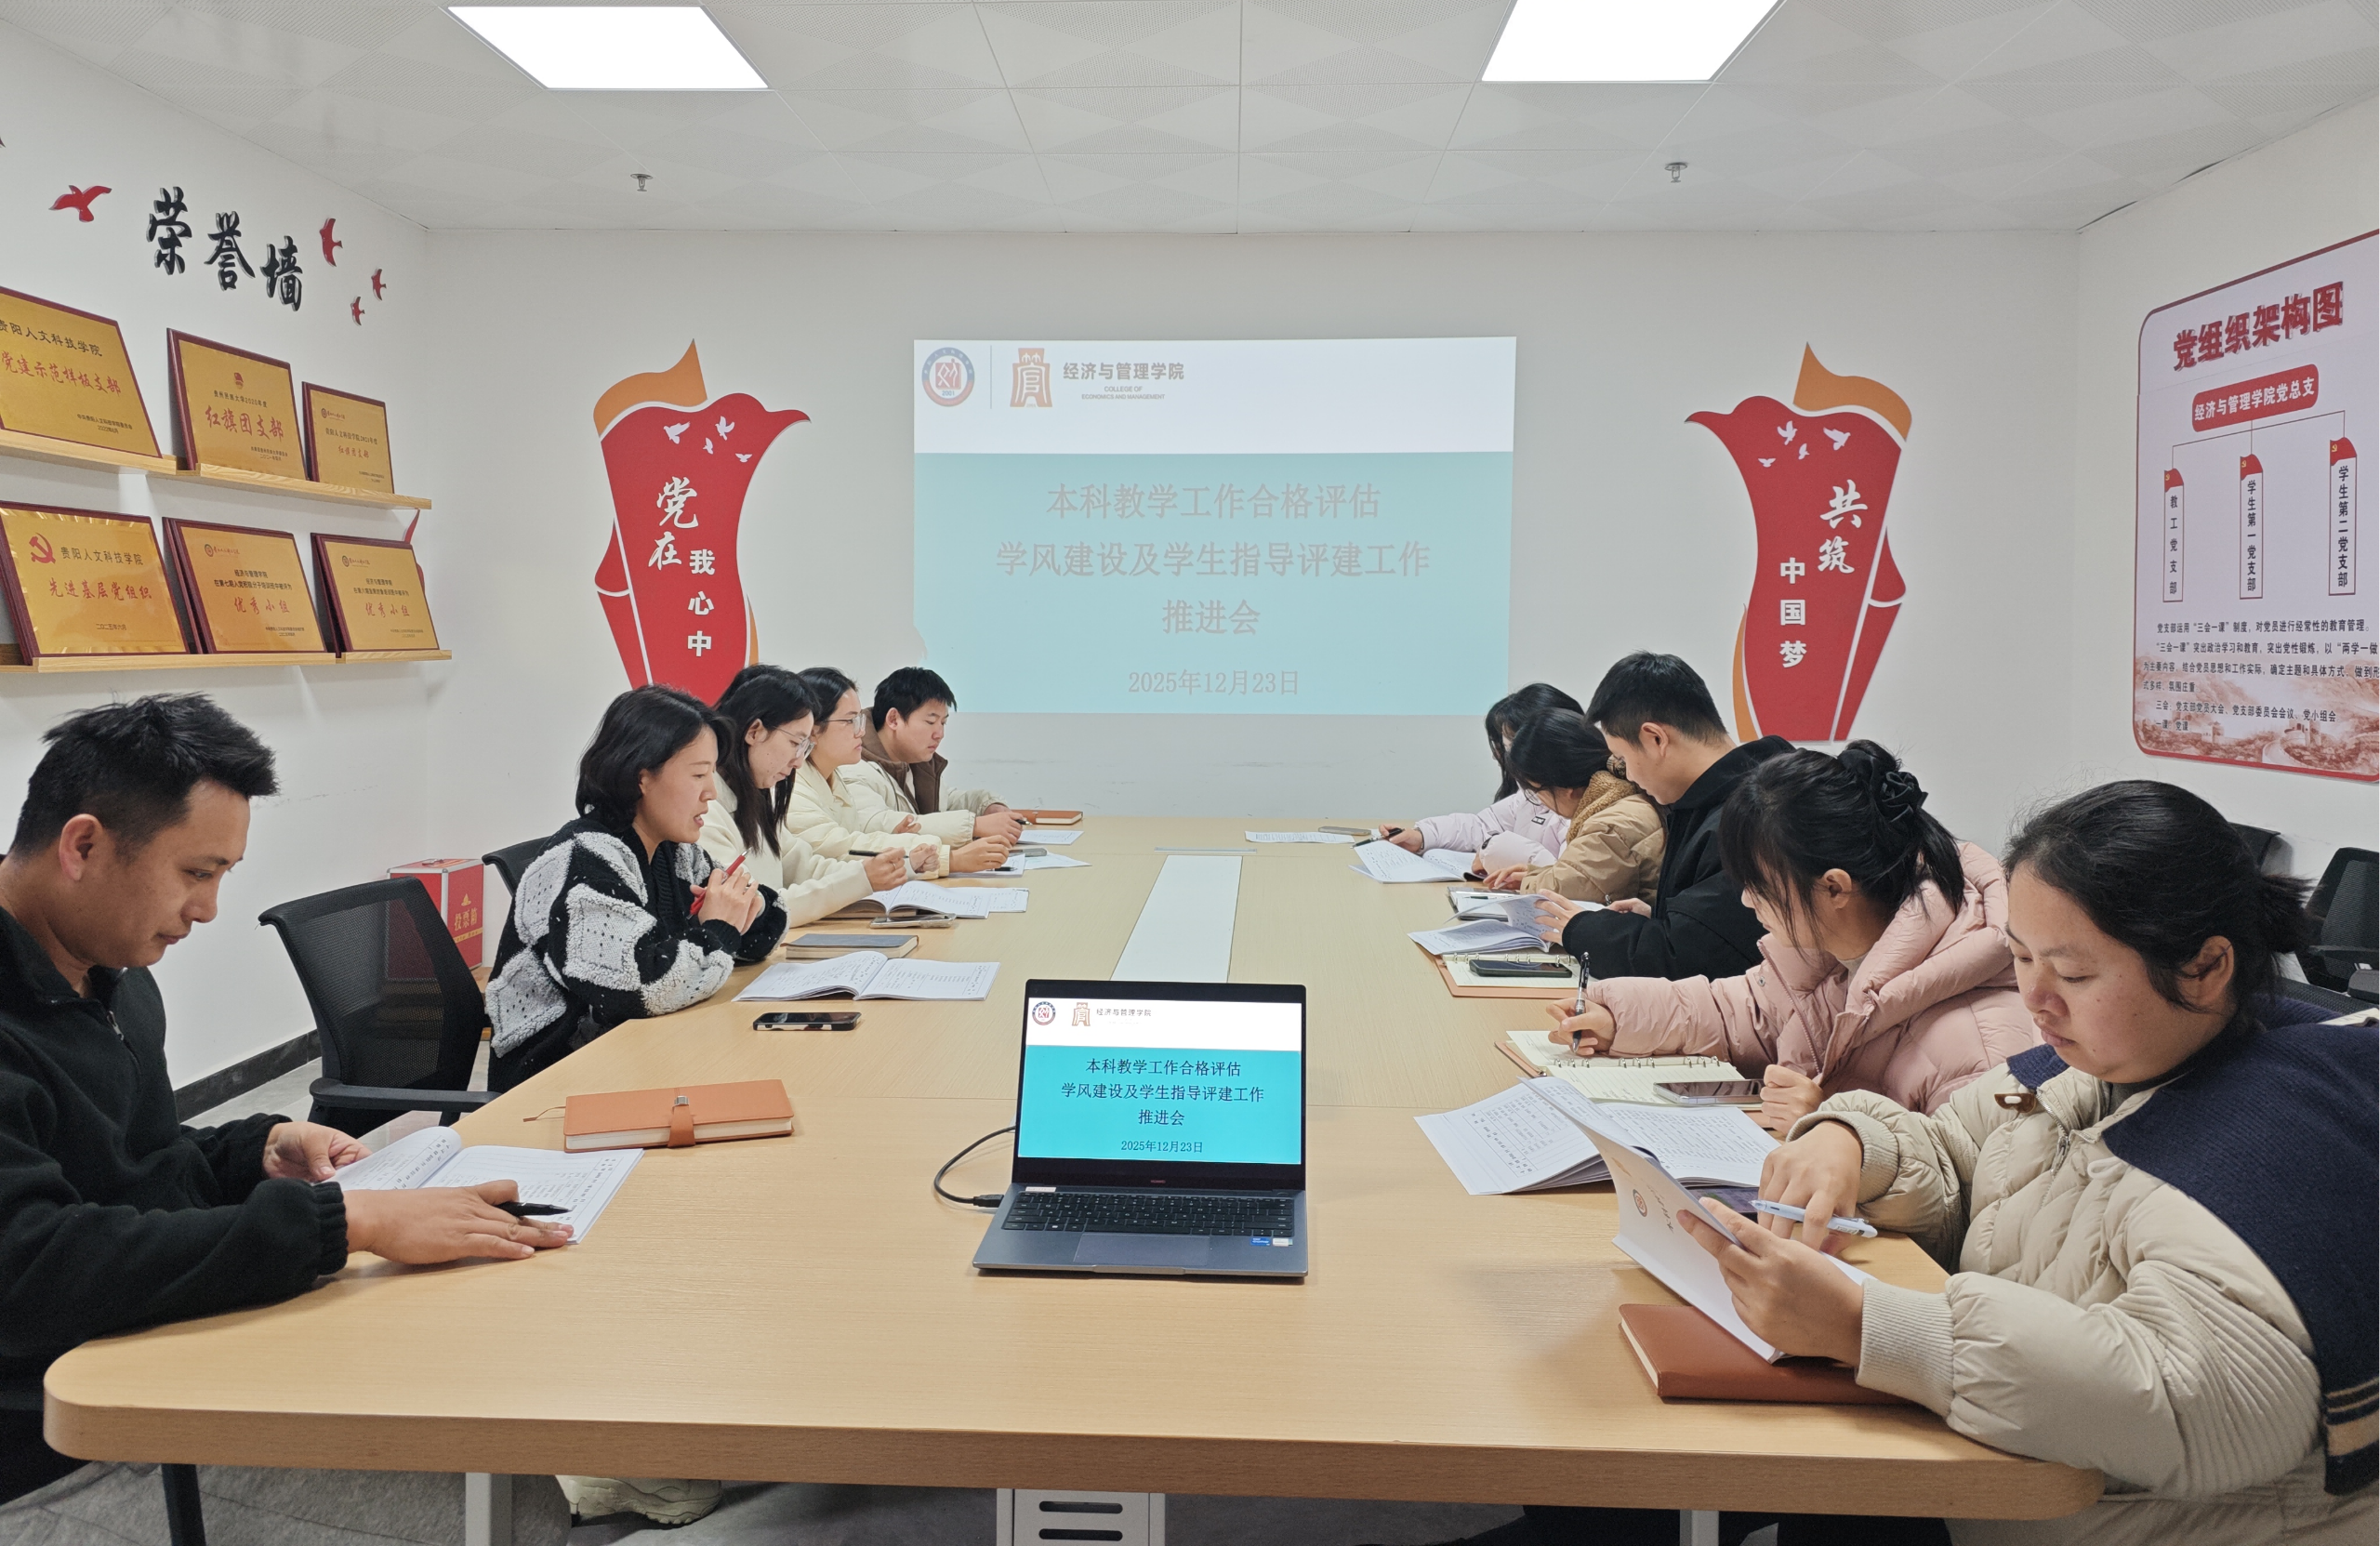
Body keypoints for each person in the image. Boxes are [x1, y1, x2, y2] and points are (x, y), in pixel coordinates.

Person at [1665, 782, 2379, 1546]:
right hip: (1996, 1473)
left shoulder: (2289, 1138)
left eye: (2073, 974)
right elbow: (1957, 1156)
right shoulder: (2088, 1063)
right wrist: (1851, 1140)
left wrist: (1871, 1326)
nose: (2035, 999)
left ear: (2205, 968)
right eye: (2020, 956)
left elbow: (2187, 1396)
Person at [0, 695, 572, 1544]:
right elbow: (30, 1268)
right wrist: (344, 1223)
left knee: (490, 1443)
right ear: (82, 845)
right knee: (501, 1512)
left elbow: (133, 1160)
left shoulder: (109, 969)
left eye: (223, 875)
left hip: (159, 1350)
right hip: (61, 1441)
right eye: (196, 872)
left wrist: (256, 1149)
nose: (208, 908)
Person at [1542, 743, 2039, 1131]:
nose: (1746, 902)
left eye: (1759, 888)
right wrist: (1617, 1017)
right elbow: (1738, 1012)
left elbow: (1961, 1194)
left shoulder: (1980, 1041)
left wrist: (1834, 1124)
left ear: (1834, 888)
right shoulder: (1829, 953)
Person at [487, 685, 786, 1093]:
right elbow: (646, 987)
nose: (711, 792)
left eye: (712, 774)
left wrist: (747, 906)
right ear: (642, 776)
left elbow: (763, 930)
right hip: (553, 1085)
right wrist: (720, 928)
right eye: (698, 774)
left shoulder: (673, 851)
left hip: (637, 1058)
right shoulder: (583, 862)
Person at [1533, 653, 1791, 981]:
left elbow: (1692, 958)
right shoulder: (1710, 800)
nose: (1629, 775)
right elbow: (1720, 927)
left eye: (1623, 759)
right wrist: (1661, 916)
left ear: (1655, 738)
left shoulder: (1755, 813)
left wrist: (1581, 930)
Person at [701, 665, 910, 922]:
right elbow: (753, 908)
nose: (798, 762)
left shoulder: (757, 797)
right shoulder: (705, 812)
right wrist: (861, 879)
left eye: (804, 747)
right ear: (754, 732)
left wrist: (876, 872)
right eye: (794, 743)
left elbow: (804, 866)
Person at [783, 667, 1012, 877]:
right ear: (812, 729)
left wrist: (985, 804)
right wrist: (950, 858)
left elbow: (863, 836)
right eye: (850, 721)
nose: (861, 731)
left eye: (860, 719)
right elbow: (843, 848)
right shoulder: (792, 788)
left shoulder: (834, 777)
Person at [1387, 683, 1580, 872]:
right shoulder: (1529, 796)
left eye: (1509, 748)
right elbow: (1481, 826)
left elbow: (1568, 875)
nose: (1500, 756)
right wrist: (1423, 836)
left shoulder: (1578, 803)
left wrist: (1493, 850)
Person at [1478, 709, 1661, 905]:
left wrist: (1530, 882)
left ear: (1567, 789)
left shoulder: (1610, 826)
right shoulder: (1622, 800)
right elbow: (1582, 876)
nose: (1539, 800)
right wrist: (1536, 874)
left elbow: (1566, 890)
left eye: (1536, 791)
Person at [853, 666, 1025, 846]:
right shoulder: (854, 767)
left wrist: (987, 806)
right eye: (930, 722)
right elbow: (880, 824)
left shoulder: (914, 763)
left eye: (943, 723)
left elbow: (945, 803)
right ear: (893, 719)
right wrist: (974, 826)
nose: (940, 734)